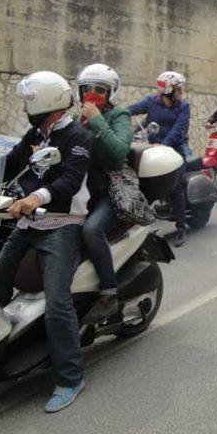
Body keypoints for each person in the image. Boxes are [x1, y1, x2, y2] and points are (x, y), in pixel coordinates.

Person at [0, 71, 94, 413]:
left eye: (28, 102)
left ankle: (70, 378)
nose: (24, 107)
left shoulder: (77, 137)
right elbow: (10, 164)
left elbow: (70, 180)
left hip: (62, 224)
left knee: (57, 302)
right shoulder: (36, 135)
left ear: (44, 103)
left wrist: (36, 197)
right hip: (28, 221)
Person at [76, 63, 134, 324]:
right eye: (87, 89)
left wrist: (97, 120)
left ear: (111, 93)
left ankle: (109, 294)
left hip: (110, 189)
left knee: (91, 230)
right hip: (81, 190)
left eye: (99, 90)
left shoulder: (118, 116)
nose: (92, 94)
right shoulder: (78, 118)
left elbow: (119, 151)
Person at [128, 71, 191, 246]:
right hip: (153, 151)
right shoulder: (151, 102)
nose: (181, 92)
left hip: (175, 151)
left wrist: (164, 145)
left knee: (176, 188)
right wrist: (117, 121)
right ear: (168, 89)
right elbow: (130, 110)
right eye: (178, 89)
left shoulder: (183, 107)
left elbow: (178, 130)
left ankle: (180, 228)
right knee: (142, 185)